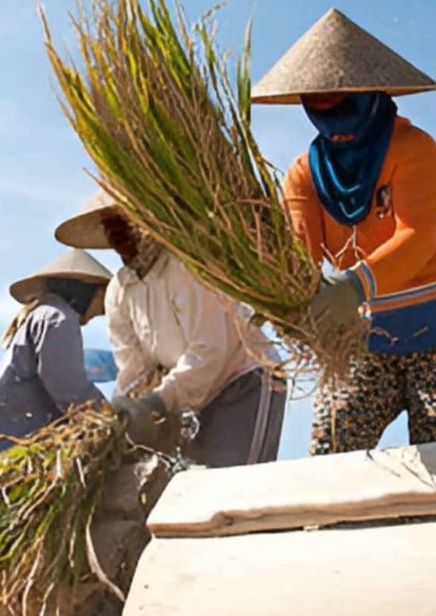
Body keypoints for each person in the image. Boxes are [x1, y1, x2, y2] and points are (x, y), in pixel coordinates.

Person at [252, 8, 436, 454]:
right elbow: (302, 252)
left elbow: (417, 238)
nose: (336, 128)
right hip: (363, 339)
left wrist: (353, 285)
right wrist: (285, 297)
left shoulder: (414, 149)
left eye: (344, 109)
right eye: (321, 112)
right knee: (331, 450)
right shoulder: (304, 174)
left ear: (371, 98)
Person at [55, 193, 286, 467]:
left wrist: (160, 402)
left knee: (233, 483)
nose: (117, 233)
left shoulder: (185, 266)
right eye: (110, 226)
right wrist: (123, 413)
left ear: (146, 220)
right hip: (192, 395)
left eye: (124, 221)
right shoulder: (120, 291)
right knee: (197, 487)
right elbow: (133, 366)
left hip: (243, 377)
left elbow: (209, 349)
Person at [0, 249, 112, 471]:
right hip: (15, 456)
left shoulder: (42, 316)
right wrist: (111, 418)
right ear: (85, 289)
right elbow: (68, 387)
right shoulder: (58, 318)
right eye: (102, 297)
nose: (96, 315)